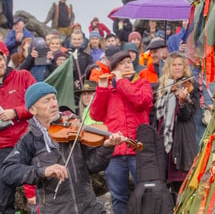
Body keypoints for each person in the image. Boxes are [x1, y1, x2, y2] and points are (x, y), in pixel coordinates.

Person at [0, 82, 124, 213]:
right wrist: (43, 171)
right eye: (46, 100)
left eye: (54, 98)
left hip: (90, 208)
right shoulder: (29, 140)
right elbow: (8, 170)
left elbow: (93, 165)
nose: (53, 104)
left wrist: (106, 147)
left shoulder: (73, 127)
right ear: (33, 110)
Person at [90, 51, 153, 214]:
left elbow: (141, 101)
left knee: (146, 194)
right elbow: (95, 115)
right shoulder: (108, 90)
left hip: (137, 148)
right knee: (119, 197)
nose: (127, 65)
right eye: (122, 63)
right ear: (114, 68)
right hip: (115, 151)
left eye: (129, 62)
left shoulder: (142, 84)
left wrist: (122, 82)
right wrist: (102, 89)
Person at [155, 52, 199, 199]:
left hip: (181, 138)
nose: (177, 67)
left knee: (182, 182)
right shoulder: (164, 87)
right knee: (167, 185)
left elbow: (188, 114)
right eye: (174, 65)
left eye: (180, 64)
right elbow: (157, 116)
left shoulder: (190, 85)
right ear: (169, 67)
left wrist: (182, 102)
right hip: (165, 138)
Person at [0, 48, 36, 214]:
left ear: (5, 59)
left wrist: (15, 112)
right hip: (2, 147)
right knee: (3, 199)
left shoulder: (23, 76)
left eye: (0, 58)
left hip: (27, 143)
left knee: (37, 195)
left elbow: (38, 102)